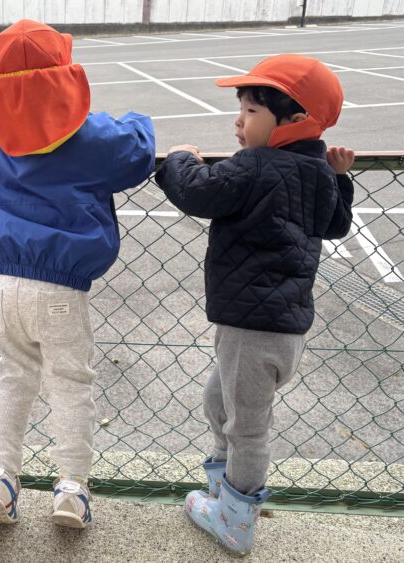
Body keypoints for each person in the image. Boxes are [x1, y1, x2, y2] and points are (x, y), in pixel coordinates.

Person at [155, 54, 355, 554]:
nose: (238, 122)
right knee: (219, 403)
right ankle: (228, 491)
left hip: (252, 327)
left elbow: (197, 193)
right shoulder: (316, 170)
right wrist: (340, 178)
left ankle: (236, 520)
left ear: (295, 120)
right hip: (278, 325)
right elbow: (335, 225)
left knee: (247, 427)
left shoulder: (255, 165)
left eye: (250, 112)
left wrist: (179, 157)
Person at [0, 19, 156, 528]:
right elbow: (137, 148)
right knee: (71, 384)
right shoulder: (88, 138)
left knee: (12, 376)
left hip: (4, 287)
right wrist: (134, 119)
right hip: (60, 289)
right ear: (65, 80)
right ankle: (72, 486)